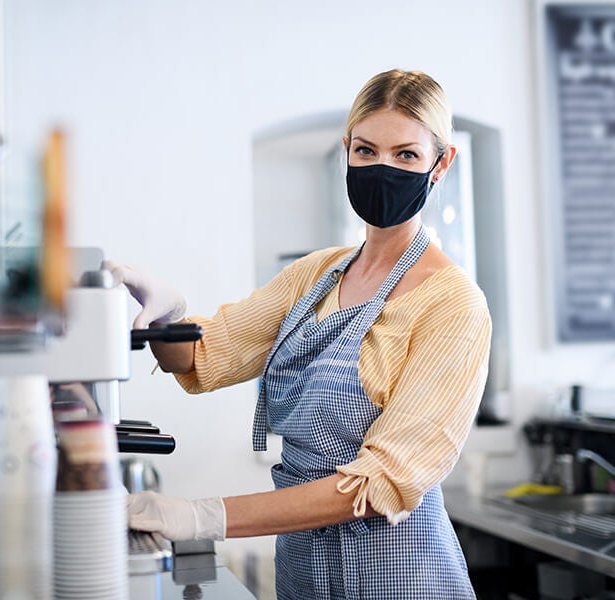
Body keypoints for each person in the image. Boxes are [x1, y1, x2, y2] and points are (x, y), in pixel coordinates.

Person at [108, 69, 491, 599]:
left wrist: (202, 516)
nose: (382, 168)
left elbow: (379, 483)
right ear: (346, 152)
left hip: (402, 579)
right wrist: (163, 319)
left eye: (405, 155)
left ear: (440, 164)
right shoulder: (313, 276)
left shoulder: (453, 305)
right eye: (366, 150)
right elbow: (203, 355)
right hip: (305, 575)